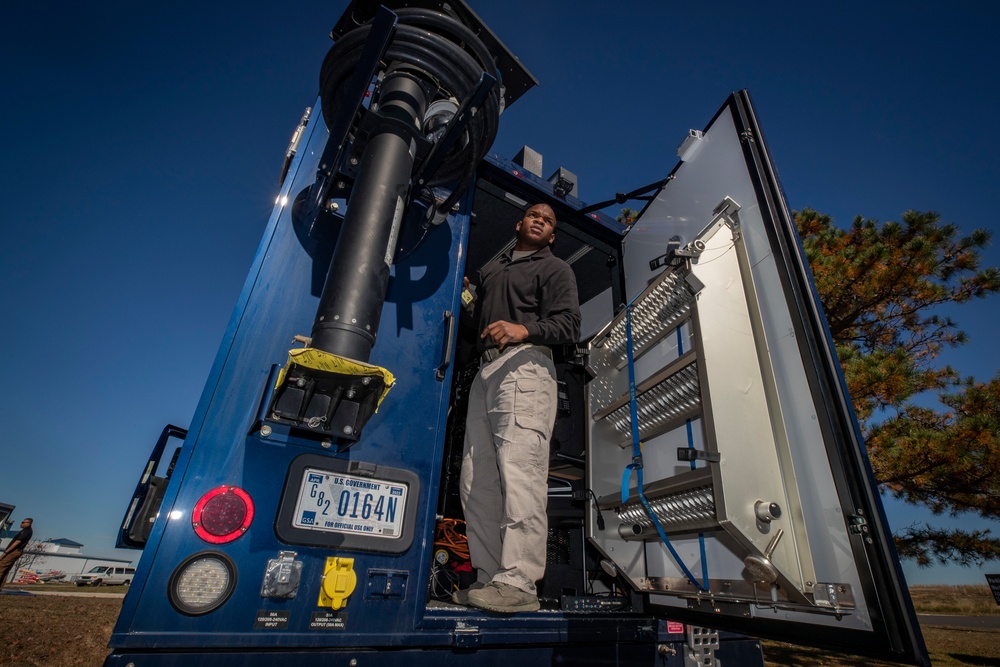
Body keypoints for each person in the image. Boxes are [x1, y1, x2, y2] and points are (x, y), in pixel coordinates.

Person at [455, 203, 580, 612]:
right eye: (533, 214)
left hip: (526, 364)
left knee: (520, 473)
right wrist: (468, 298)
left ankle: (521, 582)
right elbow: (477, 313)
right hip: (485, 372)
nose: (540, 218)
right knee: (477, 481)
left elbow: (569, 325)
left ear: (552, 235)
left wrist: (523, 328)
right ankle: (490, 579)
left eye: (548, 219)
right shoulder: (495, 271)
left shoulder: (556, 269)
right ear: (519, 224)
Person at [0, 518, 33, 591]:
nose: (21, 523)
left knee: (1, 566)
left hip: (14, 551)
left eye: (23, 522)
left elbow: (17, 541)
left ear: (28, 523)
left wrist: (6, 552)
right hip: (15, 551)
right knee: (5, 570)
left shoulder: (26, 531)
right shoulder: (25, 531)